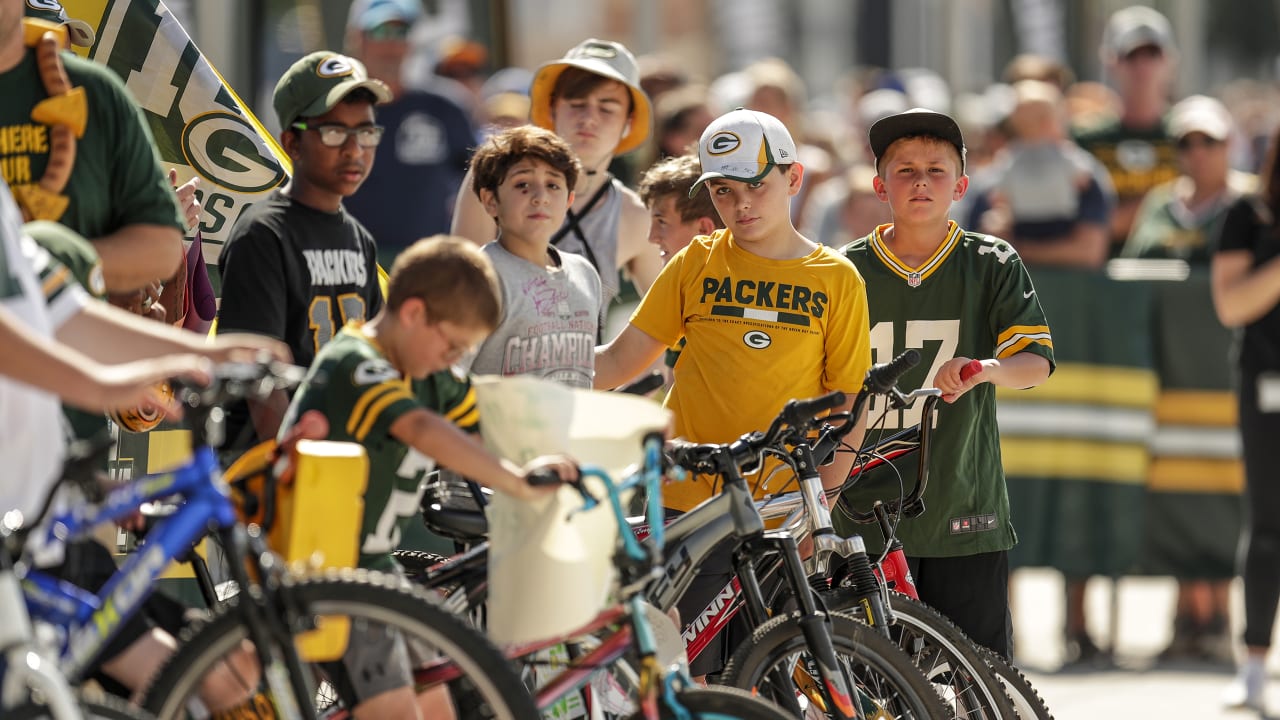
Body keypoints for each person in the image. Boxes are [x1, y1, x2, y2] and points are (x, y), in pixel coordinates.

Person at [594, 108, 872, 678]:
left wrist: (823, 505)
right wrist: (523, 375)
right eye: (723, 191)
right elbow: (619, 362)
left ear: (794, 180)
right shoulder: (696, 261)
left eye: (756, 185)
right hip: (682, 498)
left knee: (770, 672)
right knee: (675, 670)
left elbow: (850, 405)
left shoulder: (838, 278)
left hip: (780, 510)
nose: (741, 204)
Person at [0, 176, 289, 710]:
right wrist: (107, 381)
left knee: (222, 678)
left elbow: (66, 315)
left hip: (38, 539)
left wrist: (209, 353)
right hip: (23, 544)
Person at [277, 235, 573, 718]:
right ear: (413, 315)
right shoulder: (357, 363)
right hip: (325, 569)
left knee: (437, 702)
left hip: (374, 569)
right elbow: (421, 427)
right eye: (453, 345)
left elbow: (491, 414)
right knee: (395, 711)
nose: (453, 360)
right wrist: (514, 480)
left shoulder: (426, 369)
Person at [836, 108, 1054, 658]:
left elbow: (1035, 362)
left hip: (962, 501)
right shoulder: (840, 271)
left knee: (979, 681)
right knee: (870, 683)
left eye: (936, 170)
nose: (920, 181)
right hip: (862, 510)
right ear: (879, 184)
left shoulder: (990, 262)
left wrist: (983, 370)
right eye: (905, 170)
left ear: (960, 185)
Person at [1124, 94, 1254, 668]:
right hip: (1170, 375)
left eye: (1210, 141)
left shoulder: (1251, 203)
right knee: (1177, 490)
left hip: (1232, 371)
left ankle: (1222, 620)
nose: (1198, 153)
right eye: (1187, 142)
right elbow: (1129, 274)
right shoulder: (1159, 206)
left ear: (1231, 146)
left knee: (1227, 492)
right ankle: (1184, 620)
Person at [215, 50, 391, 457]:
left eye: (366, 132)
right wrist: (301, 467)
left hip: (343, 458)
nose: (354, 149)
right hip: (272, 470)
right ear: (292, 141)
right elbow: (261, 384)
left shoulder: (360, 239)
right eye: (334, 132)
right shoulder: (264, 234)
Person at [452, 38, 663, 335]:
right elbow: (461, 291)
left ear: (629, 121)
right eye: (576, 104)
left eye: (607, 108)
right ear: (551, 109)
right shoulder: (492, 175)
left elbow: (664, 328)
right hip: (498, 376)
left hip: (589, 377)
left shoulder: (634, 215)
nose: (589, 118)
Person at [1211, 124, 1280, 714]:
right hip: (1268, 384)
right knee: (1268, 525)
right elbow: (1230, 304)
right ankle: (1255, 663)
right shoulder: (1248, 214)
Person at [459, 124, 599, 388]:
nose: (540, 197)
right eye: (522, 184)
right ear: (490, 200)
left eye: (553, 185)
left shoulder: (585, 273)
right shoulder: (478, 277)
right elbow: (449, 377)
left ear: (569, 200)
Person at [341, 0, 477, 268]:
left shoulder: (445, 107)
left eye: (401, 32)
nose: (392, 45)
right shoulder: (334, 112)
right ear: (357, 38)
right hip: (351, 266)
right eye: (381, 32)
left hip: (431, 268)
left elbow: (478, 183)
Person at [968, 79, 1114, 270]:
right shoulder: (995, 178)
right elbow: (978, 248)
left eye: (1041, 119)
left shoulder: (1084, 175)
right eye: (1024, 122)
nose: (1033, 129)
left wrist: (1020, 249)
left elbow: (1088, 252)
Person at [1074, 4, 1181, 255]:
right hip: (1103, 284)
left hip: (1180, 279)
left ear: (1170, 60)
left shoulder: (1193, 134)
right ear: (1111, 61)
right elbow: (1077, 226)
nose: (1142, 67)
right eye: (1130, 55)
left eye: (1152, 54)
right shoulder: (1085, 139)